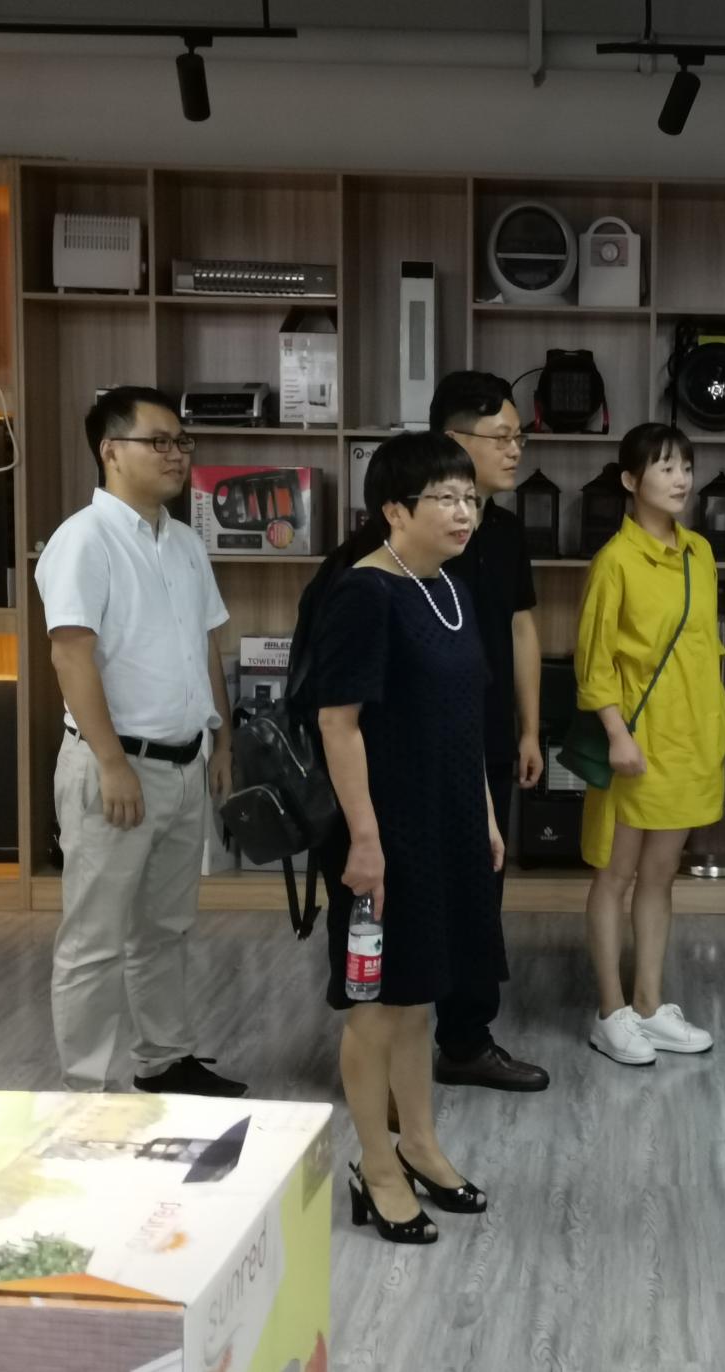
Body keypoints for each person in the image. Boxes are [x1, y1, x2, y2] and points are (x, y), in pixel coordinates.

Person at [308, 432, 507, 1245]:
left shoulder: (450, 587)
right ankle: (376, 1166)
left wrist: (484, 812)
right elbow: (338, 722)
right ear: (395, 509)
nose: (464, 512)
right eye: (445, 499)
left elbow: (464, 717)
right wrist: (365, 839)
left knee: (420, 994)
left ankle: (420, 1145)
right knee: (377, 1006)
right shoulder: (364, 592)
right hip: (387, 831)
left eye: (470, 498)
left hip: (448, 821)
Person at [34, 385, 245, 1097]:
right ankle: (85, 1092)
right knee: (94, 937)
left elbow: (204, 646)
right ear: (110, 451)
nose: (176, 454)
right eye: (159, 441)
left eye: (182, 442)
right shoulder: (83, 540)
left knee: (166, 928)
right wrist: (111, 762)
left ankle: (165, 1060)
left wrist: (220, 740)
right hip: (117, 767)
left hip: (184, 764)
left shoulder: (184, 542)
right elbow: (70, 656)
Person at [575, 423, 725, 1066]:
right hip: (634, 745)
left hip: (690, 742)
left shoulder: (700, 552)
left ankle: (648, 1004)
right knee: (616, 876)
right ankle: (610, 1012)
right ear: (630, 481)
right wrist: (616, 733)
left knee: (661, 877)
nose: (681, 478)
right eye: (665, 467)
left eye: (686, 466)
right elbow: (594, 661)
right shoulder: (616, 560)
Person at [424, 371, 550, 1093]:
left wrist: (530, 728)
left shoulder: (504, 530)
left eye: (518, 436)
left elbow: (521, 627)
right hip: (422, 744)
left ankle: (465, 1039)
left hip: (491, 738)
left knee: (482, 889)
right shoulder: (407, 528)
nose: (515, 449)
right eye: (501, 436)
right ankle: (394, 1035)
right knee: (419, 890)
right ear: (453, 440)